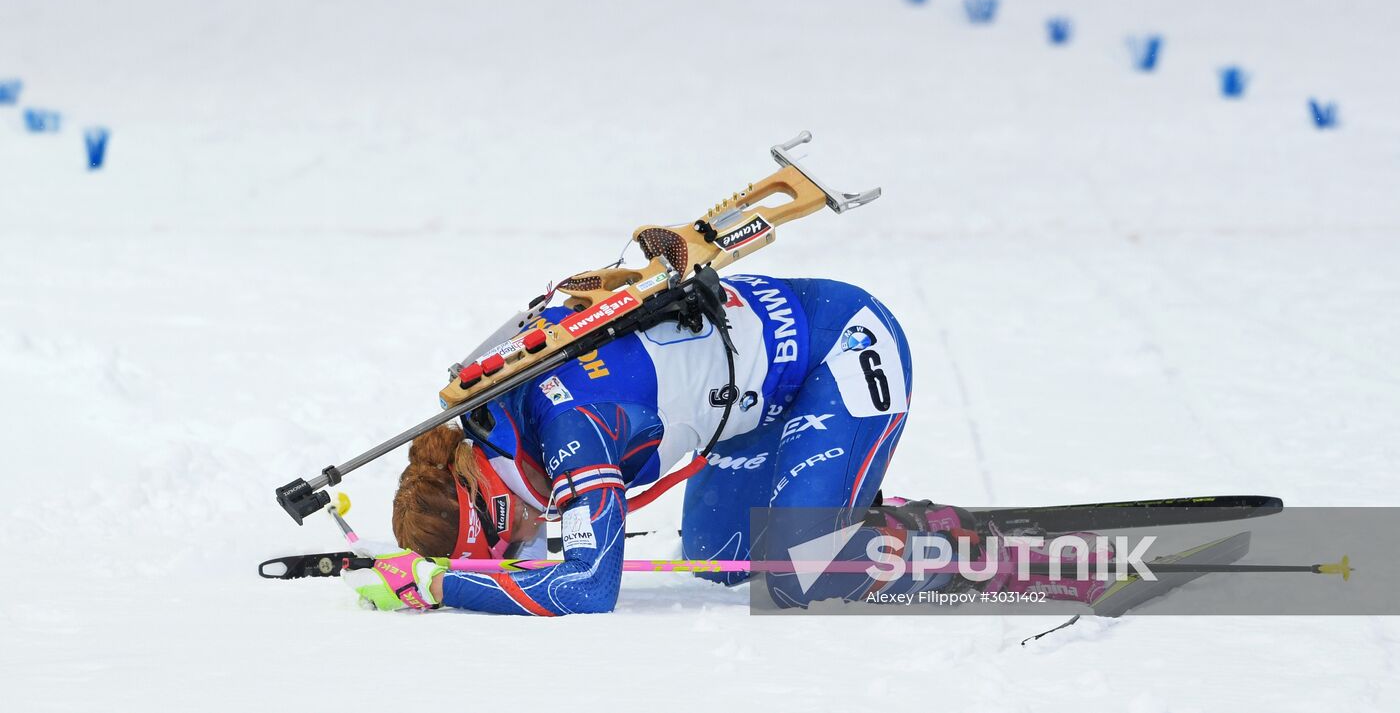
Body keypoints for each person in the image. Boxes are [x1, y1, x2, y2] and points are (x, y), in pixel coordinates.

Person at [346, 273, 1105, 615]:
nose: (529, 546)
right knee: (720, 561)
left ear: (489, 500)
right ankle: (862, 515)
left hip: (838, 345)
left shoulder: (568, 431)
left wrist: (443, 584)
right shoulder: (501, 418)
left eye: (509, 543)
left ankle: (989, 549)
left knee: (804, 577)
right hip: (756, 403)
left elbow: (584, 590)